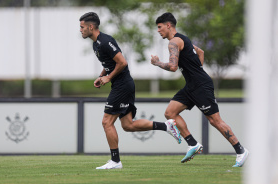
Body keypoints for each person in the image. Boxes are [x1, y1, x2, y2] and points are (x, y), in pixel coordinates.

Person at [79, 12, 182, 170]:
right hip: (121, 85)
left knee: (106, 122)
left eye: (82, 27)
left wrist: (108, 77)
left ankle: (115, 161)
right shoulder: (96, 43)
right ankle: (166, 126)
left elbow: (122, 63)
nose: (80, 30)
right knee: (128, 125)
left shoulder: (105, 41)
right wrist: (101, 76)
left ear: (91, 27)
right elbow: (109, 63)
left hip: (123, 85)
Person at [151, 12, 249, 167]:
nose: (158, 30)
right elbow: (201, 52)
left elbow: (173, 67)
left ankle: (241, 150)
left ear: (168, 25)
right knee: (170, 112)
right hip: (192, 85)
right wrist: (196, 68)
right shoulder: (184, 38)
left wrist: (157, 63)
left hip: (201, 86)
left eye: (160, 27)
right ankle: (193, 144)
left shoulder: (174, 43)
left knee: (214, 120)